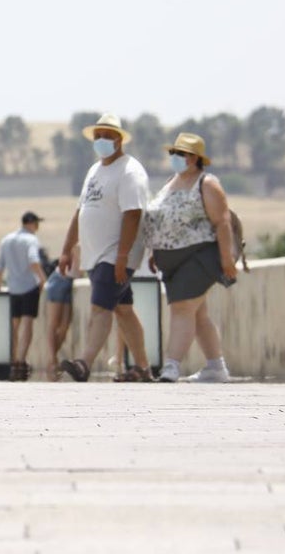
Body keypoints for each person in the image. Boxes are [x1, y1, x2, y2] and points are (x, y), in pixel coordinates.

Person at [58, 114, 154, 383]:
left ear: (119, 139)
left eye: (107, 135)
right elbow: (81, 212)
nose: (101, 140)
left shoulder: (129, 171)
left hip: (115, 254)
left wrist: (123, 256)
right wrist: (67, 248)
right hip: (96, 254)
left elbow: (133, 214)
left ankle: (84, 363)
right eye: (98, 135)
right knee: (123, 310)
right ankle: (143, 368)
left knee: (100, 308)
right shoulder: (95, 170)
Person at [143, 133, 235, 383]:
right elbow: (162, 220)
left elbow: (222, 221)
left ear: (195, 158)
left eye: (180, 154)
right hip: (170, 260)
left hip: (199, 255)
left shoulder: (206, 183)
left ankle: (171, 366)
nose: (175, 158)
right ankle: (216, 367)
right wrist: (155, 250)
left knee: (182, 308)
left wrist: (226, 259)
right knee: (198, 313)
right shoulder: (170, 183)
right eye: (173, 153)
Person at [0, 211, 47, 381]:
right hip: (28, 286)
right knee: (27, 324)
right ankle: (20, 360)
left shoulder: (7, 239)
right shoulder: (31, 240)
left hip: (13, 287)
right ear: (32, 223)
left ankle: (14, 361)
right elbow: (33, 261)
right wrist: (42, 280)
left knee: (15, 326)